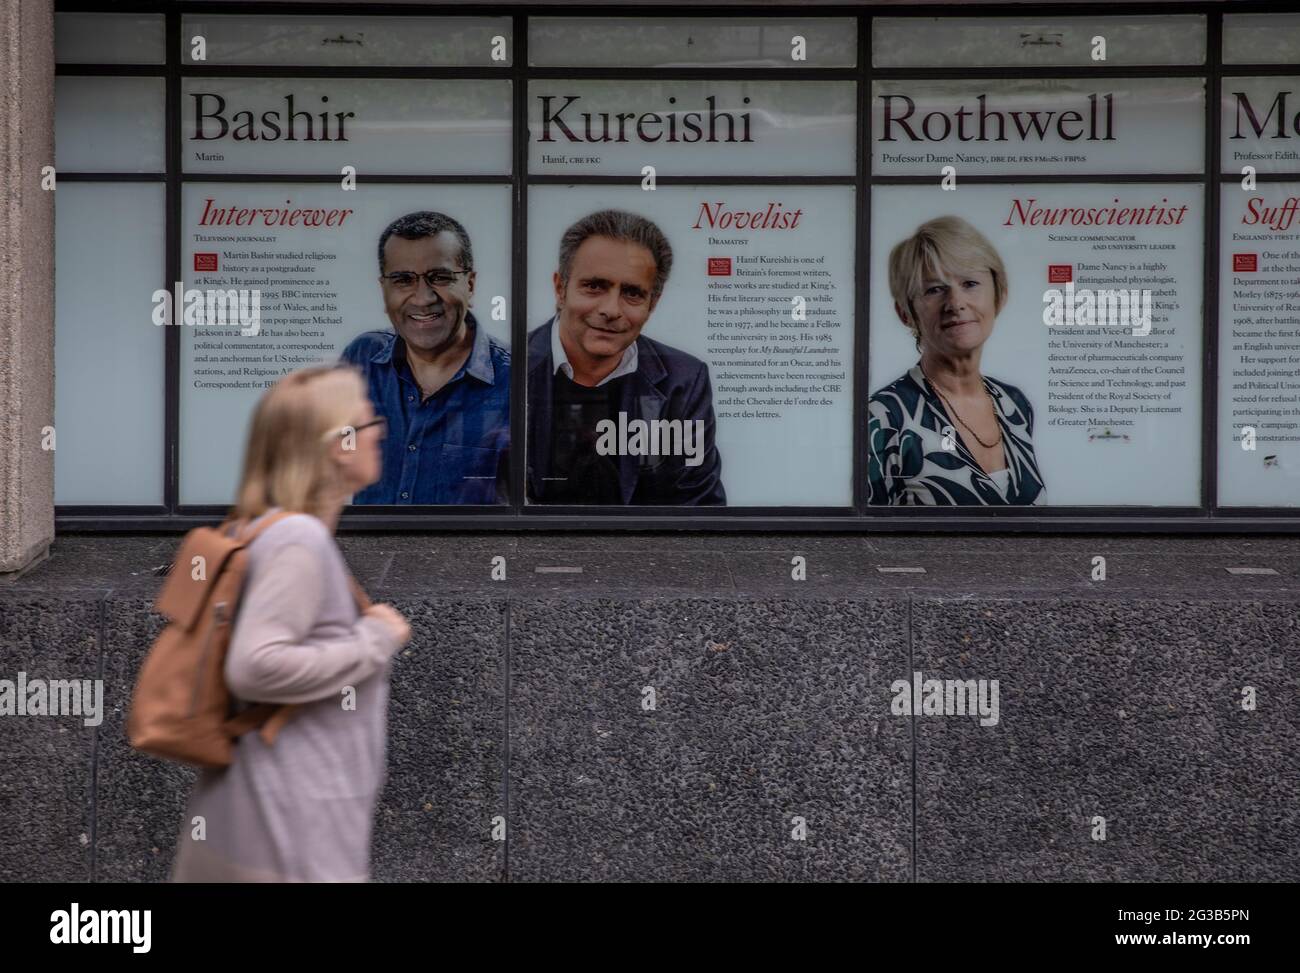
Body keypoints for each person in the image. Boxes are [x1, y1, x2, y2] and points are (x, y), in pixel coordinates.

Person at [171, 365, 412, 882]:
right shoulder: (298, 540)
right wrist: (374, 640)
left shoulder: (261, 529)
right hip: (288, 823)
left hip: (260, 812)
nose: (381, 433)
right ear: (337, 444)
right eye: (369, 423)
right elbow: (255, 667)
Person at [527, 209, 725, 505]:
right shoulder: (506, 369)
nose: (611, 309)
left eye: (632, 293)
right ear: (560, 288)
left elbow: (699, 508)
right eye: (595, 286)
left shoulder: (683, 381)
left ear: (652, 303)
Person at [868, 215, 1045, 505]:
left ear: (999, 296)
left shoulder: (1015, 406)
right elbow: (865, 541)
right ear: (905, 313)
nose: (956, 303)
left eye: (970, 283)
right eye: (934, 289)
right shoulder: (883, 418)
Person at [340, 211, 510, 505]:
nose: (422, 297)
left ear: (470, 285)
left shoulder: (517, 379)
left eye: (440, 277)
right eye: (403, 280)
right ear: (384, 290)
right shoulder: (361, 360)